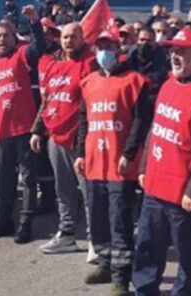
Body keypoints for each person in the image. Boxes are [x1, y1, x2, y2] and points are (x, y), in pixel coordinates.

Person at [132, 27, 191, 296]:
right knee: (148, 245)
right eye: (173, 51)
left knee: (186, 253)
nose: (174, 56)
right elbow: (155, 129)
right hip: (155, 186)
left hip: (183, 194)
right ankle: (145, 290)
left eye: (182, 51)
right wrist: (144, 167)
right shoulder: (168, 84)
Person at [74, 27, 153, 295]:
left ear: (119, 50)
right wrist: (80, 153)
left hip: (120, 165)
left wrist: (129, 154)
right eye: (100, 48)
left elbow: (141, 122)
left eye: (109, 47)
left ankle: (121, 277)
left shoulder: (135, 81)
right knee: (98, 218)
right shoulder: (88, 82)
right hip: (95, 163)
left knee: (119, 220)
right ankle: (105, 264)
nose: (104, 52)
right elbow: (83, 121)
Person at [30, 21, 97, 255]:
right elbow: (47, 100)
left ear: (82, 39)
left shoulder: (90, 64)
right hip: (55, 138)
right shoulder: (54, 66)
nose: (69, 41)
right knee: (64, 190)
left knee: (88, 192)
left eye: (73, 36)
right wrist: (37, 130)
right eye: (65, 37)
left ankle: (96, 239)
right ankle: (67, 234)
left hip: (79, 139)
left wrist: (84, 142)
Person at [0, 7, 44, 244]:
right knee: (6, 179)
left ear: (13, 38)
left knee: (28, 179)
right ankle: (5, 220)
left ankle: (26, 223)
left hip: (25, 128)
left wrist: (34, 22)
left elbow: (39, 46)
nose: (1, 40)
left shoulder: (22, 55)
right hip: (3, 131)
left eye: (6, 36)